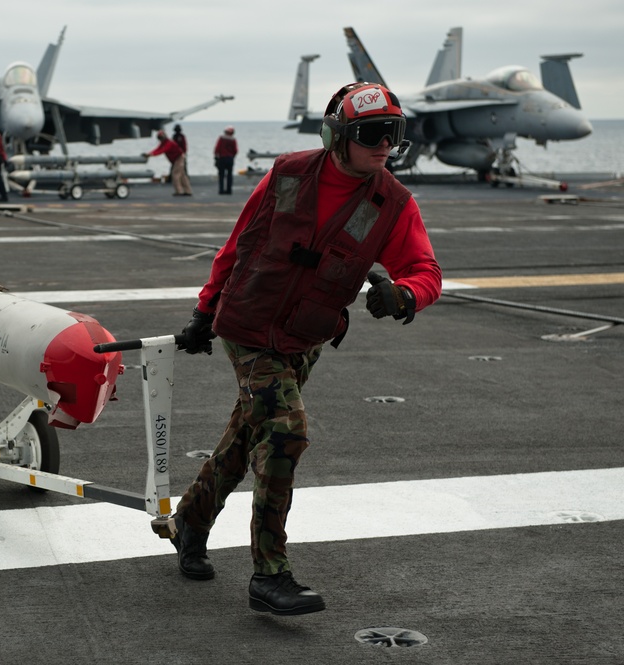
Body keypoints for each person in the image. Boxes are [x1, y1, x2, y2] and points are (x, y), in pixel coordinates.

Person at [171, 83, 442, 616]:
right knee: (285, 431)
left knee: (247, 434)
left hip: (304, 336)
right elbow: (238, 244)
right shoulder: (288, 174)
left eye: (394, 134)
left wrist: (405, 295)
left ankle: (189, 523)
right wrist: (204, 313)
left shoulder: (392, 203)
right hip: (249, 326)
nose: (385, 145)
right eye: (371, 134)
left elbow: (426, 271)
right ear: (337, 135)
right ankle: (269, 573)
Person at [143, 129, 192, 196]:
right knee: (182, 176)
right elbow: (157, 149)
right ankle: (188, 191)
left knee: (175, 175)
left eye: (160, 138)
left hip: (178, 158)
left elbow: (162, 150)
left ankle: (179, 191)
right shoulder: (165, 143)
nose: (160, 139)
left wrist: (150, 155)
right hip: (178, 159)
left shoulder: (169, 143)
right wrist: (149, 154)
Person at [213, 125, 238, 194]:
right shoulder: (233, 140)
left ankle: (221, 190)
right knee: (229, 175)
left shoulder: (221, 138)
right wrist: (232, 156)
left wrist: (216, 156)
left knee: (221, 175)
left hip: (222, 158)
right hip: (230, 158)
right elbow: (235, 150)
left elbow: (217, 148)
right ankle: (229, 190)